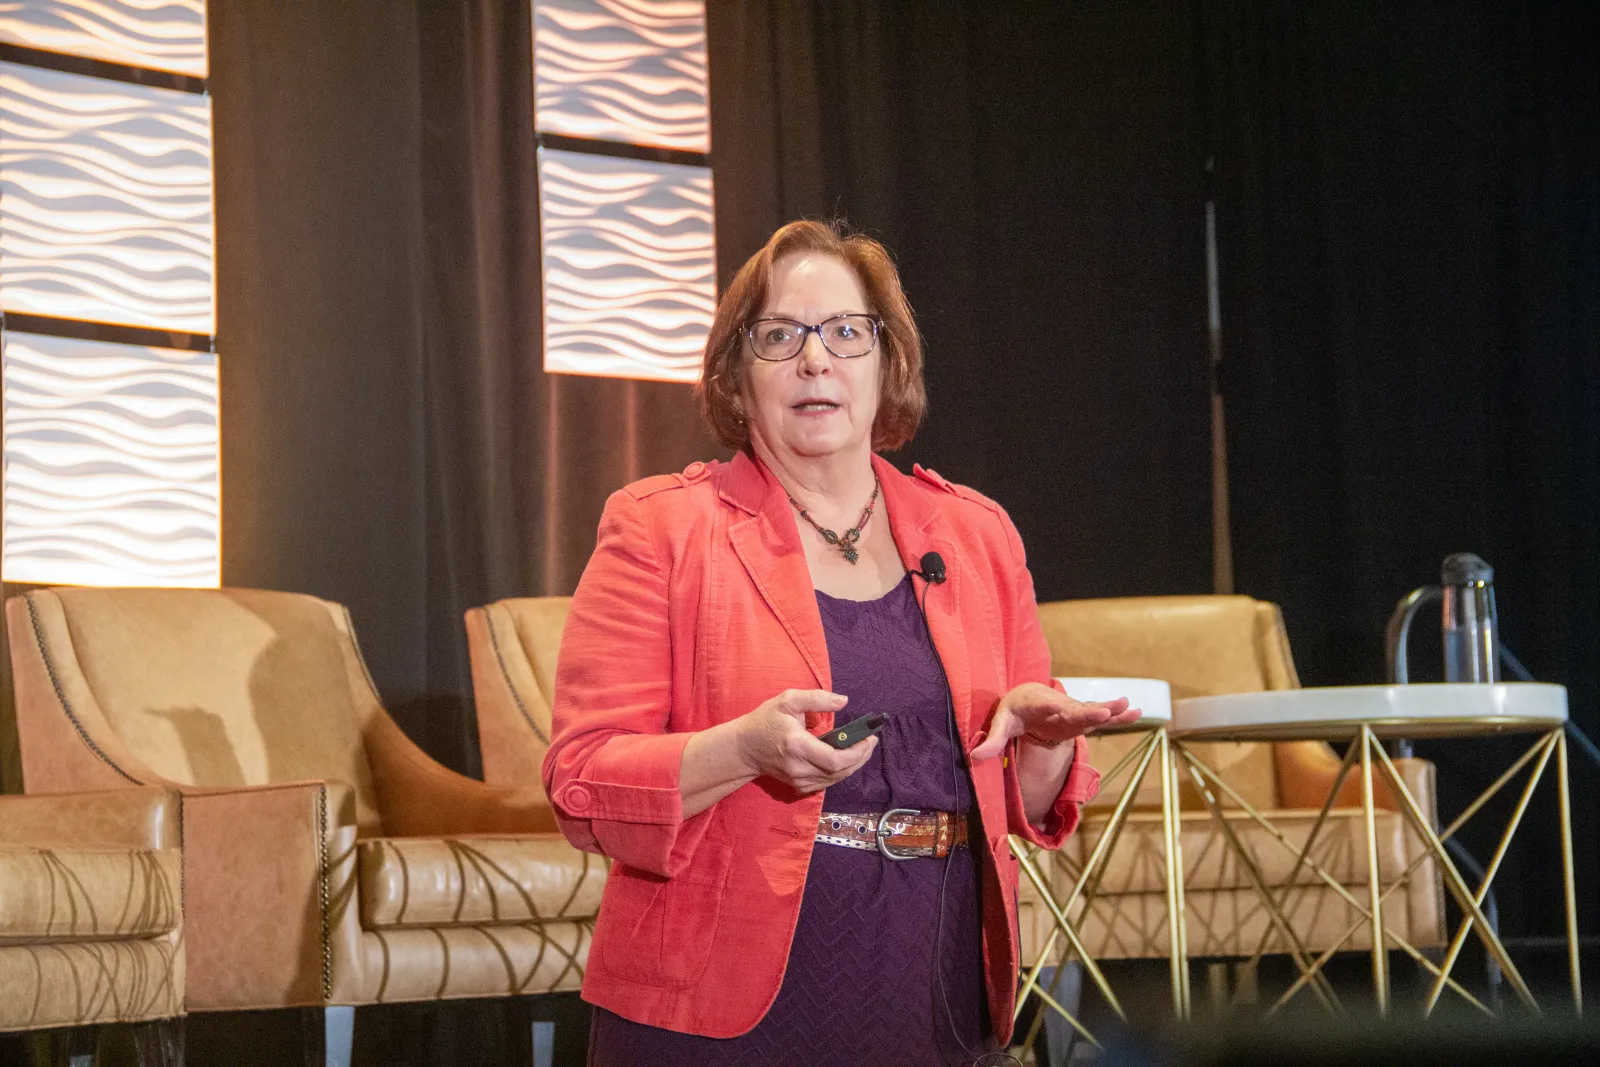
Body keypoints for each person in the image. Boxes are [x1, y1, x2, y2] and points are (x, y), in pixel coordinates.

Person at [544, 220, 1139, 1066]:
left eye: (846, 332)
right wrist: (742, 750)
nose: (815, 359)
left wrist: (1039, 748)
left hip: (930, 986)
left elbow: (1028, 806)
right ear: (736, 380)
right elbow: (583, 783)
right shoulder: (662, 530)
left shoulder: (977, 535)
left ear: (886, 364)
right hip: (718, 1008)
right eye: (779, 336)